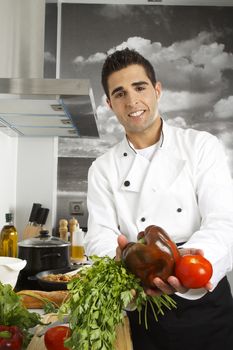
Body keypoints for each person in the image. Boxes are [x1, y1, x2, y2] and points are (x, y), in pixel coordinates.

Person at [84, 48, 233, 350]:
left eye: (139, 87)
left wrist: (189, 264)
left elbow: (223, 219)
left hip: (203, 299)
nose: (132, 101)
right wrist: (124, 267)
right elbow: (99, 235)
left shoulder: (202, 146)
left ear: (157, 90)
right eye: (120, 93)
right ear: (110, 104)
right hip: (142, 299)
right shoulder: (102, 168)